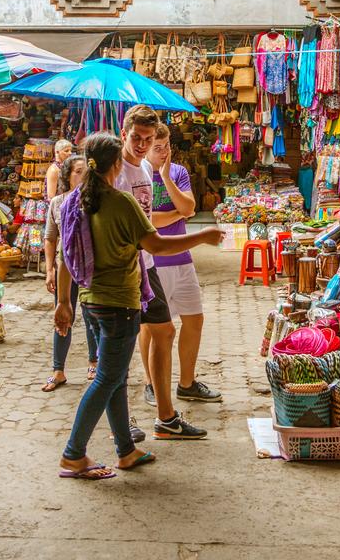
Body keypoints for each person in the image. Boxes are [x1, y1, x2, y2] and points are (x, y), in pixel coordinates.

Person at [54, 134, 223, 480]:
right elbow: (156, 246)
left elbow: (63, 258)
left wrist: (61, 303)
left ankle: (125, 450)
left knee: (116, 378)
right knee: (106, 379)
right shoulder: (121, 202)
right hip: (119, 303)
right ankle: (73, 455)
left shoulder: (72, 201)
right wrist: (203, 236)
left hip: (90, 303)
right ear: (116, 165)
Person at [117, 105, 207, 440]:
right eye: (137, 137)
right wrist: (198, 235)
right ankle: (120, 423)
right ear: (124, 134)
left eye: (149, 138)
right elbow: (147, 229)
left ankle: (166, 418)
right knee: (121, 346)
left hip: (146, 264)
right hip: (126, 268)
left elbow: (175, 213)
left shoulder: (143, 171)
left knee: (165, 331)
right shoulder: (116, 171)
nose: (143, 144)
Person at [145, 126, 220, 403]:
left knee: (194, 319)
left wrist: (166, 178)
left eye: (166, 147)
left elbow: (189, 209)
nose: (163, 152)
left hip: (182, 258)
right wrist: (176, 214)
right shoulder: (137, 175)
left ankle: (186, 383)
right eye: (157, 147)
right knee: (152, 328)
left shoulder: (177, 172)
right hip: (153, 260)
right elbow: (147, 222)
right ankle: (151, 383)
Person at [41, 155, 97, 393]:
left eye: (85, 172)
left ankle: (94, 362)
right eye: (77, 171)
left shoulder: (94, 201)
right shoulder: (57, 203)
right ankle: (58, 370)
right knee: (62, 317)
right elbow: (50, 237)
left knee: (91, 316)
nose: (82, 176)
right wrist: (49, 270)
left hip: (89, 267)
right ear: (66, 175)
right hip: (65, 267)